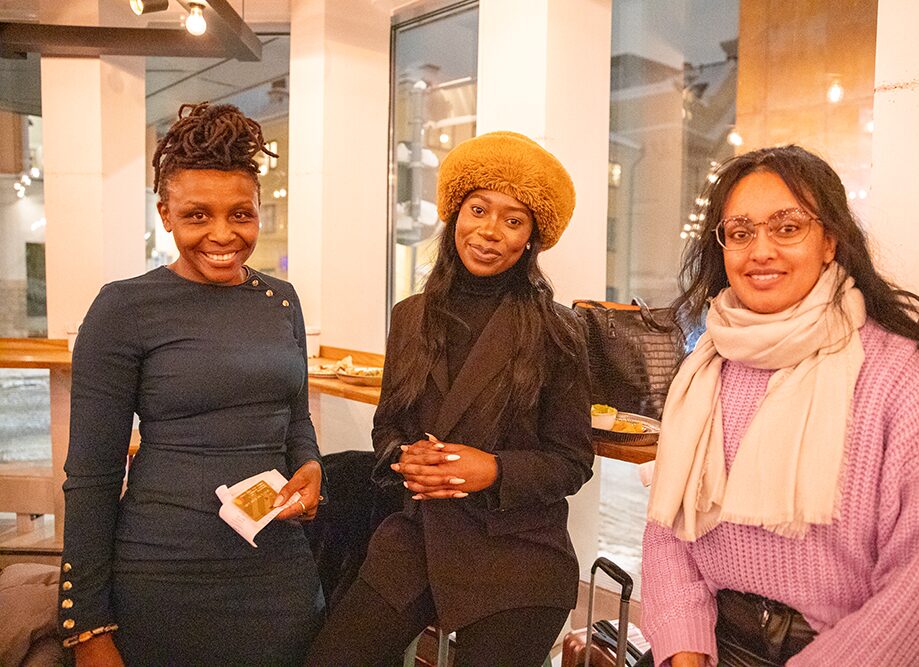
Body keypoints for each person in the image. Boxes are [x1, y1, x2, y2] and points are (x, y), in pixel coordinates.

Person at [640, 145, 919, 666]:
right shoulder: (706, 367)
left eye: (787, 228)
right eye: (740, 233)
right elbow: (667, 528)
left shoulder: (905, 379)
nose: (760, 251)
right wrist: (684, 647)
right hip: (711, 645)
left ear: (830, 240)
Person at [307, 131, 594, 666]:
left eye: (513, 220)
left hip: (518, 549)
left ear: (532, 238)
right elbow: (387, 426)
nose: (489, 231)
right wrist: (403, 456)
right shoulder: (410, 317)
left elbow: (572, 461)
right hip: (416, 535)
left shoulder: (558, 332)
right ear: (455, 213)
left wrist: (494, 470)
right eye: (478, 210)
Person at [58, 103, 326, 666]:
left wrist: (310, 465)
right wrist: (87, 626)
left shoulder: (281, 300)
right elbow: (92, 478)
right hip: (162, 571)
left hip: (276, 570)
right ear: (166, 213)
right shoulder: (123, 307)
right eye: (197, 215)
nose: (222, 234)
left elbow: (295, 417)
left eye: (241, 214)